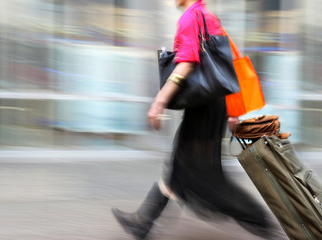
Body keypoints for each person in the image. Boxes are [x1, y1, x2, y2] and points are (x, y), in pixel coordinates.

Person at [111, 0, 273, 239]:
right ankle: (144, 221)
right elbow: (225, 65)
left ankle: (261, 222)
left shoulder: (190, 17)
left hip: (203, 108)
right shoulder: (207, 16)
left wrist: (160, 100)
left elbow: (187, 62)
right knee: (181, 165)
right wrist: (231, 110)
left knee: (201, 174)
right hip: (212, 104)